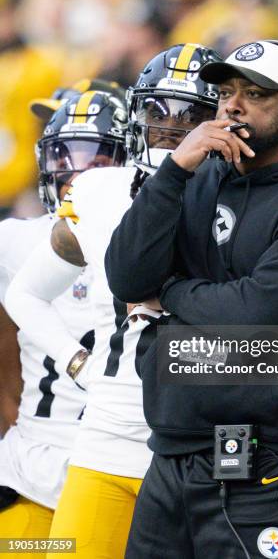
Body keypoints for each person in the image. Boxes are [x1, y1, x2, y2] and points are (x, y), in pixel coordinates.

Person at [105, 39, 278, 558]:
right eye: (224, 92)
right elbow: (128, 277)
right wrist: (174, 171)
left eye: (255, 94)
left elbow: (256, 318)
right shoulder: (193, 178)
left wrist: (173, 294)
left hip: (276, 462)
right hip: (176, 450)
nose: (232, 106)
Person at [5, 44, 221, 558]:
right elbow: (24, 297)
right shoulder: (94, 199)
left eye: (188, 116)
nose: (75, 171)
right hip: (64, 456)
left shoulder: (252, 204)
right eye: (157, 114)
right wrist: (79, 361)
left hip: (192, 452)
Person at [0, 83, 126, 554]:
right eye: (64, 156)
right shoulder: (16, 241)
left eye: (95, 159)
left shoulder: (159, 243)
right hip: (30, 466)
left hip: (115, 466)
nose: (75, 173)